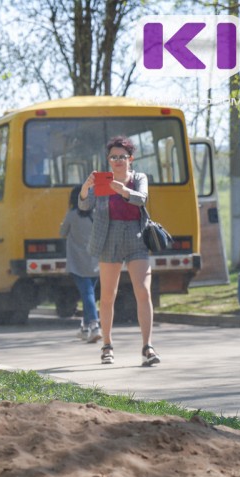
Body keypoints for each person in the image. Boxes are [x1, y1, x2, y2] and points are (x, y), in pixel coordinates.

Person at [79, 135, 160, 367]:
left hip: (136, 236)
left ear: (130, 159)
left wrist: (123, 190)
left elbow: (142, 199)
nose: (117, 161)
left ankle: (147, 346)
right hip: (109, 237)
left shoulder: (138, 178)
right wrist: (86, 188)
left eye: (122, 157)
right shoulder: (102, 182)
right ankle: (107, 345)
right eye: (113, 157)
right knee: (107, 295)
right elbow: (84, 206)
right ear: (108, 159)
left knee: (143, 292)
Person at [59, 185, 100, 343]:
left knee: (87, 294)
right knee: (89, 295)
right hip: (95, 261)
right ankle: (85, 328)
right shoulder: (96, 214)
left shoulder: (71, 215)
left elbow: (62, 233)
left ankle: (95, 326)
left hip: (77, 262)